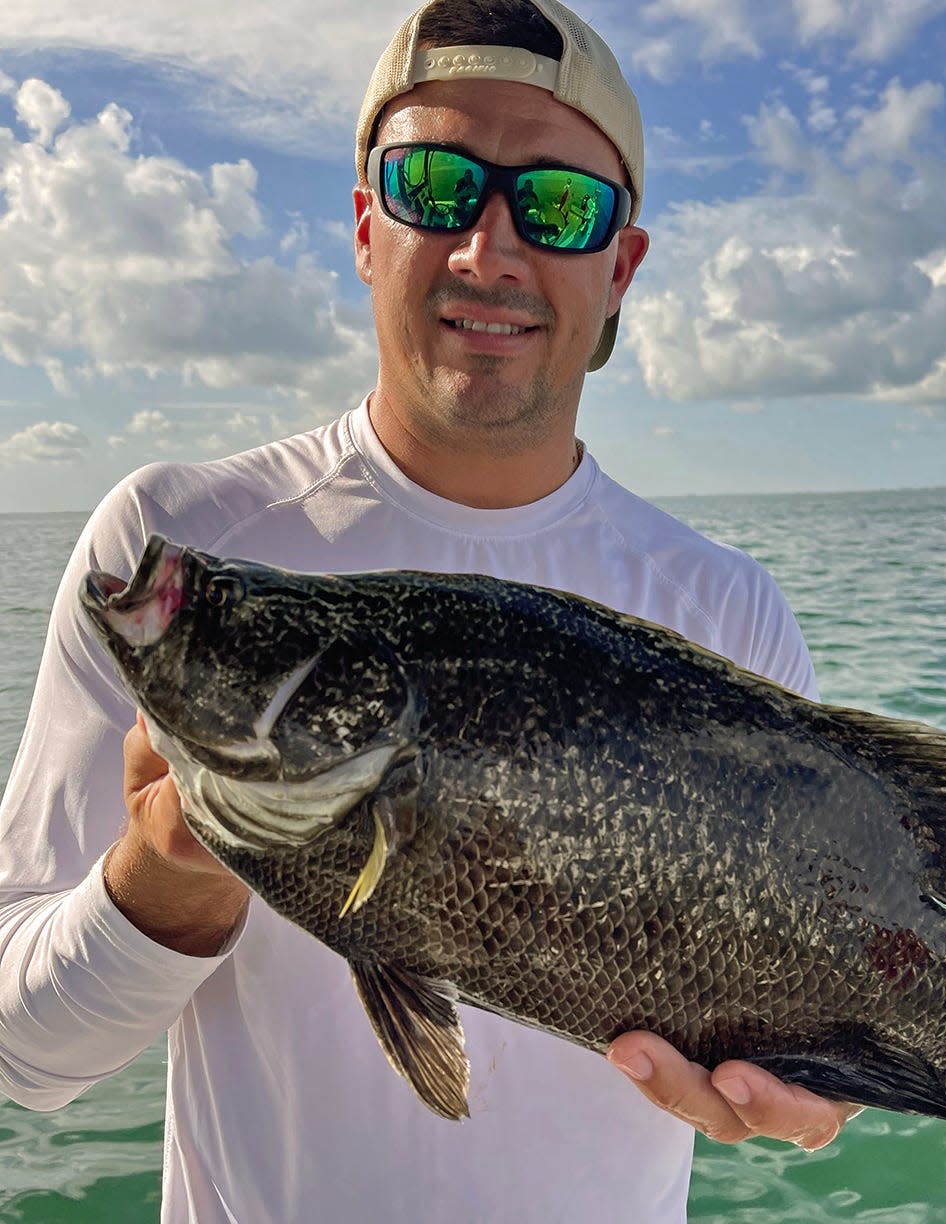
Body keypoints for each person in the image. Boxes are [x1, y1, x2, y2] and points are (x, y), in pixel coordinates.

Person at [0, 1, 857, 1219]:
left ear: (620, 267)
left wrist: (831, 1075)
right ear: (365, 225)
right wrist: (164, 880)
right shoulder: (170, 547)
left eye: (557, 206)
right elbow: (23, 1057)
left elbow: (832, 962)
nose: (486, 250)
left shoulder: (724, 609)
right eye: (435, 185)